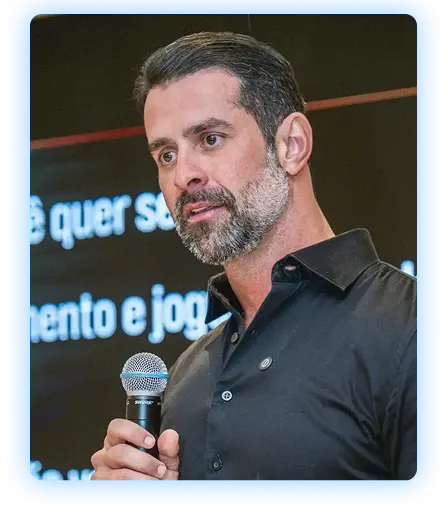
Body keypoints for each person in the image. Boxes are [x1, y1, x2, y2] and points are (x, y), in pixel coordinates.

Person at [91, 32, 416, 481]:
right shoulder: (186, 376)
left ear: (292, 145)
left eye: (210, 138)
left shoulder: (415, 328)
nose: (183, 175)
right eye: (166, 155)